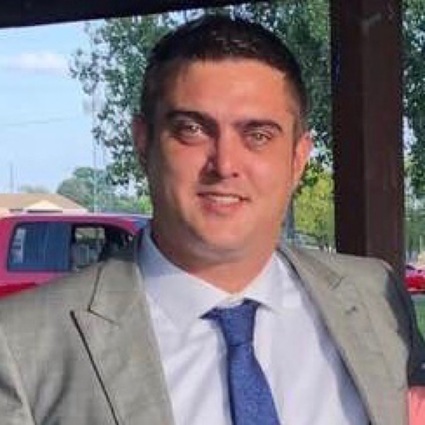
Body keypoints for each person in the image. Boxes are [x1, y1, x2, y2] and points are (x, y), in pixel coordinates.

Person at [0, 15, 423, 425]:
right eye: (192, 130)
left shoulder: (375, 297)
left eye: (258, 135)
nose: (224, 164)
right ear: (143, 142)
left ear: (298, 158)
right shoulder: (20, 345)